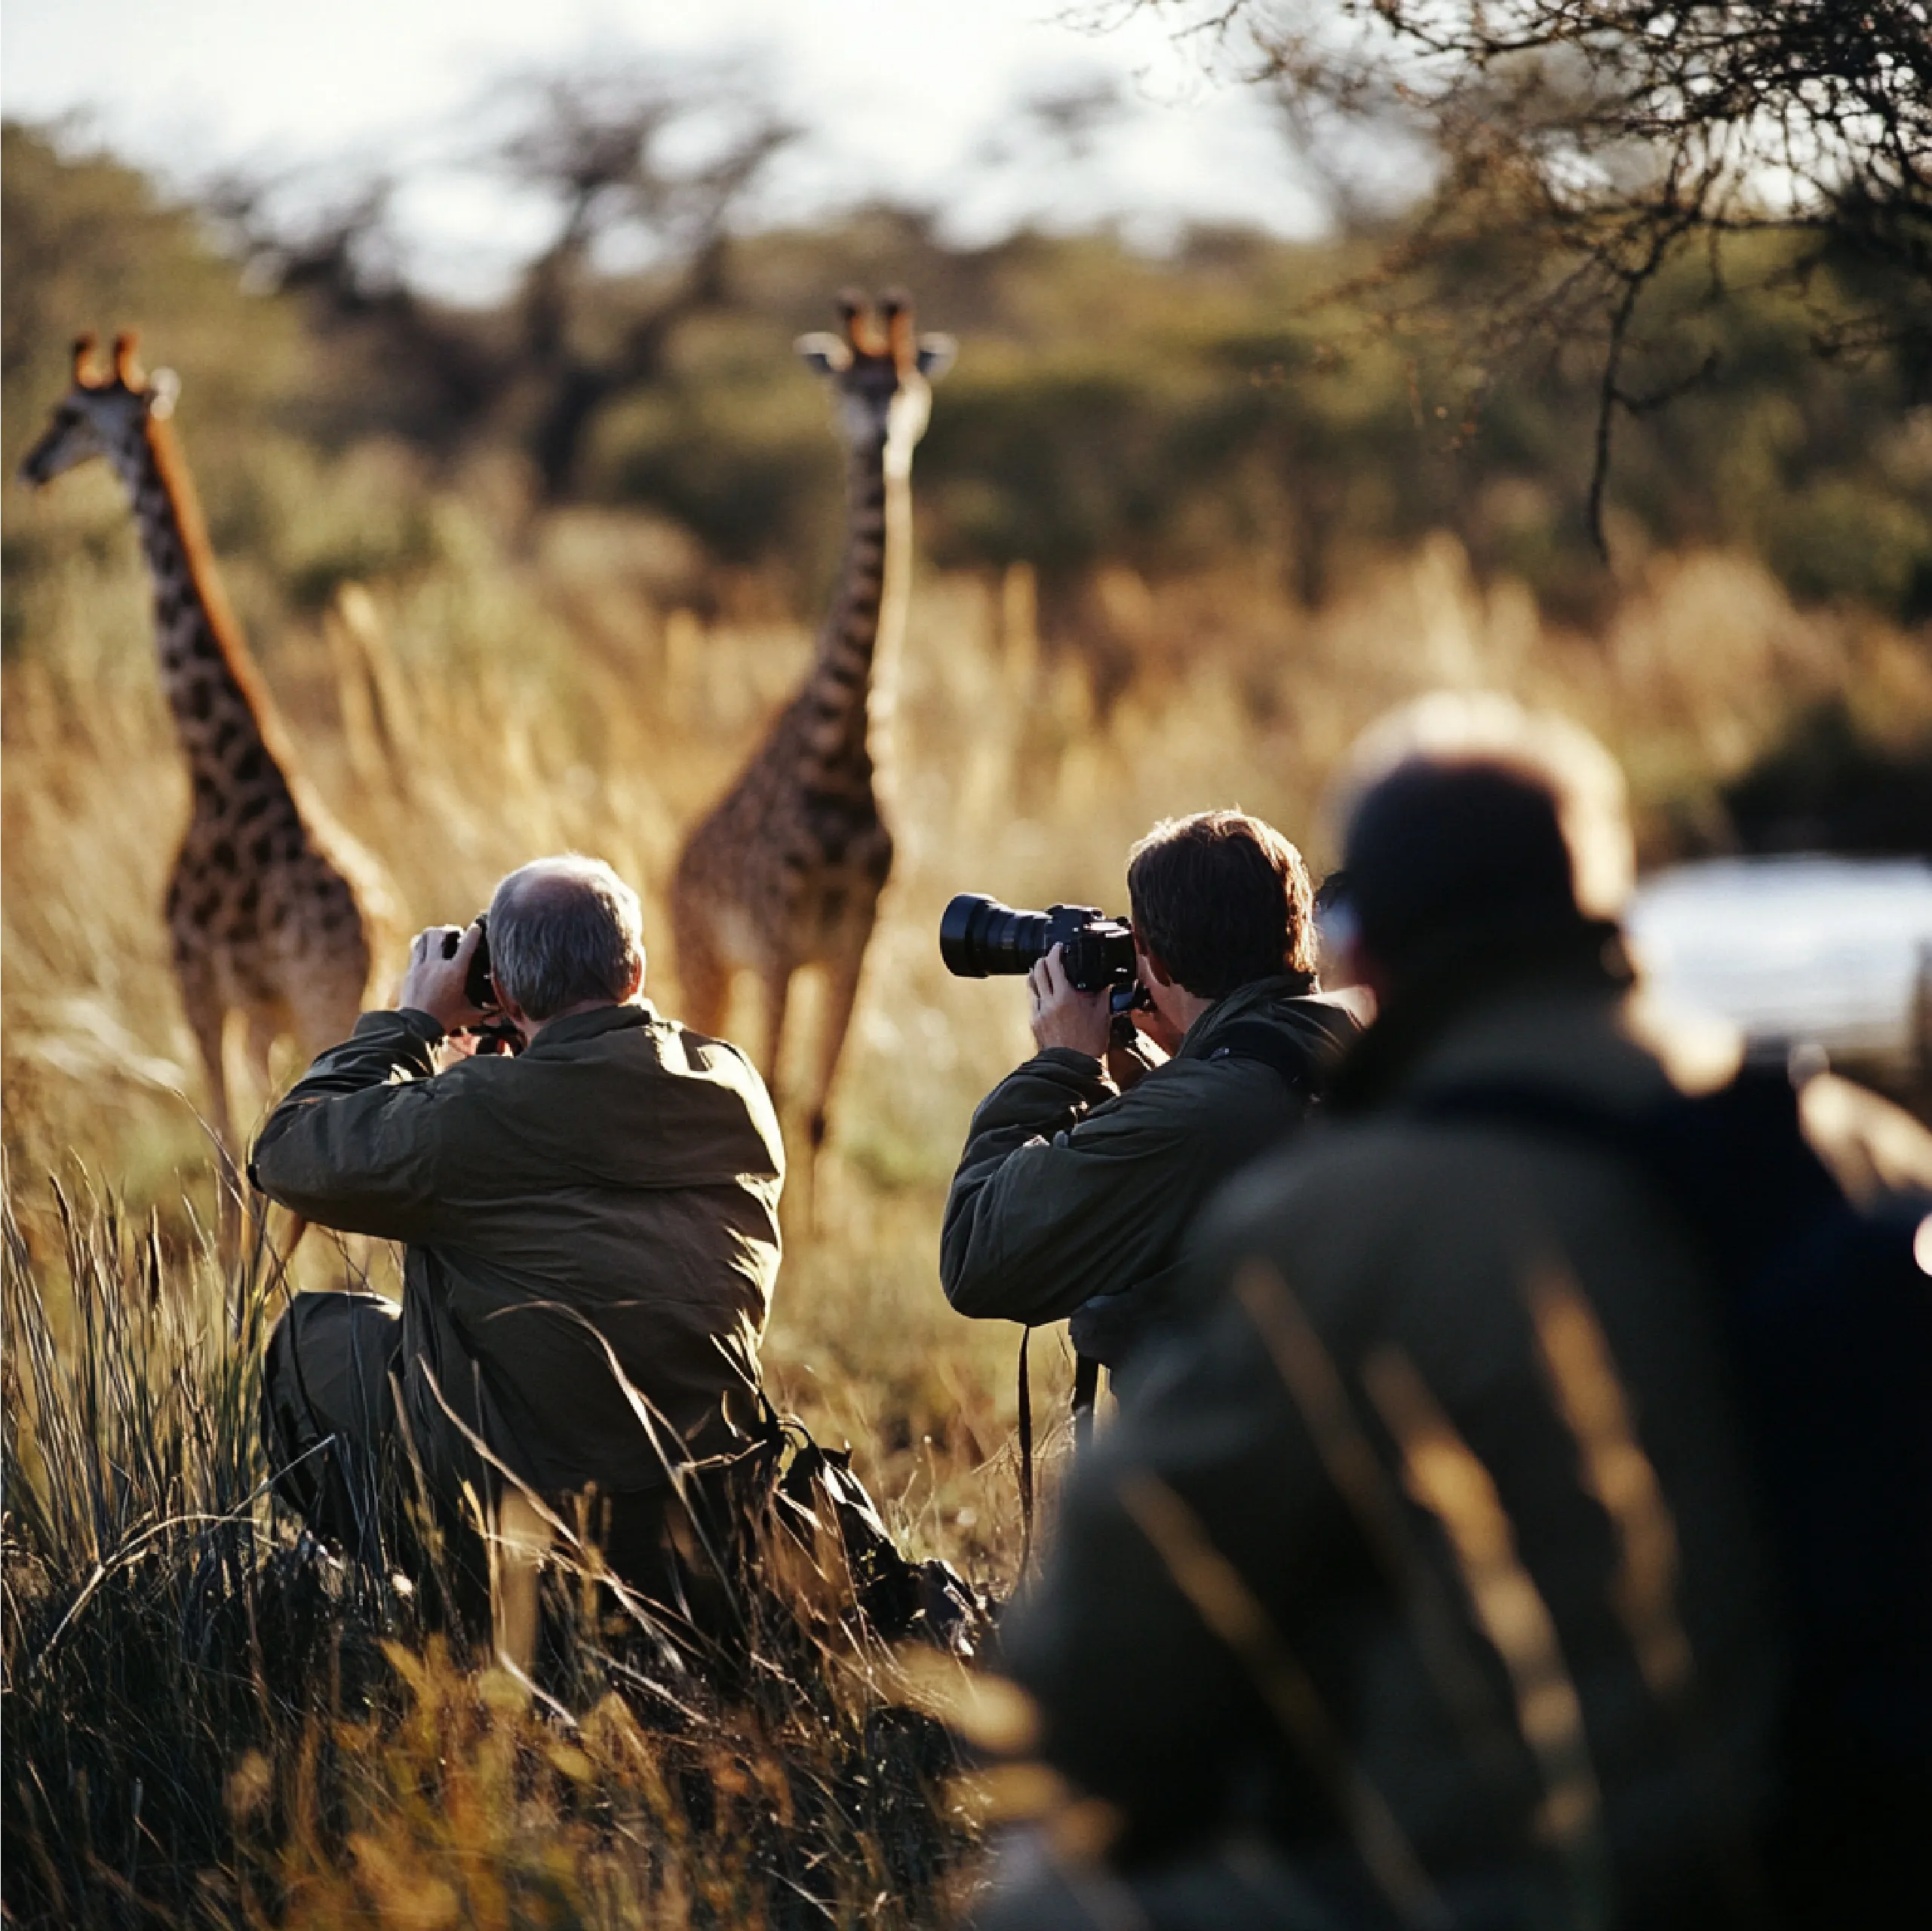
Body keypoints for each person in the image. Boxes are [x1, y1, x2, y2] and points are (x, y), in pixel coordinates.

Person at [980, 696, 1811, 1930]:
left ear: (1370, 953)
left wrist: (1060, 1070)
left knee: (1042, 1901)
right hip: (1827, 1826)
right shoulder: (1835, 1149)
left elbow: (1095, 1671)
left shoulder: (1341, 1216)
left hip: (1538, 1875)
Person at [252, 853, 785, 1613]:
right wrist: (511, 1064)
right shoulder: (733, 1083)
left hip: (530, 1532)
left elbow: (285, 1154)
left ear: (496, 988)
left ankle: (462, 1602)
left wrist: (412, 1027)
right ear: (634, 973)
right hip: (708, 1517)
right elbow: (593, 1121)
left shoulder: (473, 1117)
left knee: (307, 1345)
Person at [940, 810, 1363, 1383]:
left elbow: (976, 1257)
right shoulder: (1338, 1032)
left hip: (1221, 1454)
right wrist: (1185, 1048)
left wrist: (1063, 1064)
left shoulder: (1201, 1112)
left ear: (1154, 957)